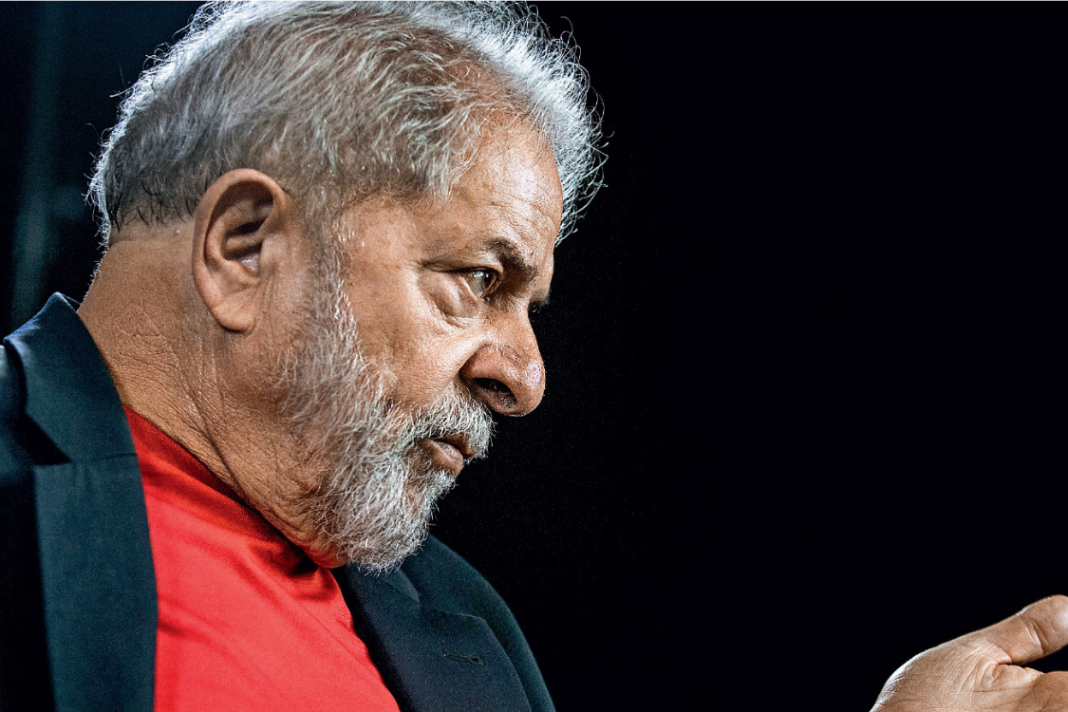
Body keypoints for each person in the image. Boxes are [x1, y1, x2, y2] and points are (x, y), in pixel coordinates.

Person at [0, 2, 601, 711]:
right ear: (245, 248)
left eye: (529, 308)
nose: (525, 380)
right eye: (479, 279)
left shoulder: (475, 622)